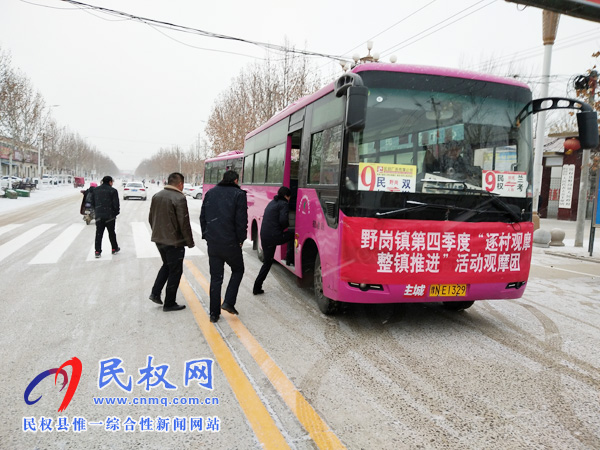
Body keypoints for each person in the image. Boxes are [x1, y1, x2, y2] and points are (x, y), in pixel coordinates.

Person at [200, 170, 248, 323]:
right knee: (238, 269)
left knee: (216, 278)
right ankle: (228, 301)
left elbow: (203, 216)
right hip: (230, 242)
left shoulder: (211, 193)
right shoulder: (239, 194)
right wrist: (241, 239)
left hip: (213, 242)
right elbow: (241, 220)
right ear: (235, 180)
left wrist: (207, 235)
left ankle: (214, 314)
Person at [148, 172, 195, 312]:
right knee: (175, 270)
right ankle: (169, 302)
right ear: (180, 184)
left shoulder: (157, 196)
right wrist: (190, 242)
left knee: (167, 266)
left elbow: (151, 217)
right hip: (174, 242)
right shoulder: (179, 198)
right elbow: (184, 222)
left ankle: (155, 293)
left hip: (159, 239)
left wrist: (158, 232)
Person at [253, 186, 294, 295]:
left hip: (265, 235)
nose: (289, 199)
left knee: (267, 262)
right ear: (286, 196)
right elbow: (283, 220)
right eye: (289, 197)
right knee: (294, 233)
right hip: (274, 236)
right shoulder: (284, 204)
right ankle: (290, 258)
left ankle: (257, 287)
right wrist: (287, 226)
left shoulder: (272, 202)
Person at [91, 175, 120, 258]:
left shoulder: (96, 190)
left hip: (99, 216)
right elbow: (116, 204)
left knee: (99, 234)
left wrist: (97, 211)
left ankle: (97, 251)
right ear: (110, 182)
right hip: (110, 216)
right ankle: (114, 248)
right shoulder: (113, 191)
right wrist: (115, 213)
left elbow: (93, 203)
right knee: (111, 233)